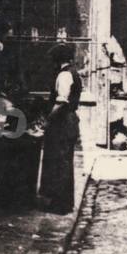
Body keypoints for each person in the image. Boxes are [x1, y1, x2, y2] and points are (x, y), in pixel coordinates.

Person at [39, 44, 82, 214]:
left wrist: (48, 119)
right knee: (64, 161)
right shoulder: (73, 73)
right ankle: (63, 202)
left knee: (60, 162)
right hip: (68, 121)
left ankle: (61, 204)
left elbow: (61, 101)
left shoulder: (64, 75)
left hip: (63, 122)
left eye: (53, 60)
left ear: (58, 60)